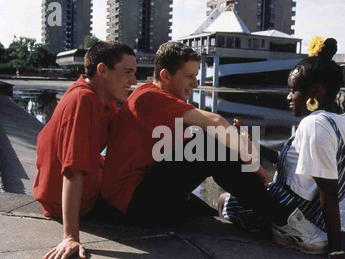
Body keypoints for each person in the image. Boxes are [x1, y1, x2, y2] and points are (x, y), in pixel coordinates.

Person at [220, 38, 345, 259]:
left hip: (290, 218)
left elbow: (329, 191)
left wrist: (336, 251)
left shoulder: (315, 125)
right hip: (312, 217)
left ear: (315, 91)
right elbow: (295, 164)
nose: (288, 97)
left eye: (293, 90)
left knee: (223, 197)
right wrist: (252, 145)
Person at [102, 41, 288, 229]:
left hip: (143, 195)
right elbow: (214, 123)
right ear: (165, 75)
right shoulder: (149, 97)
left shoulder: (158, 100)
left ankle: (260, 212)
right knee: (209, 145)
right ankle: (283, 220)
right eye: (189, 76)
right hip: (134, 201)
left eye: (196, 76)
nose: (196, 83)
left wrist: (235, 149)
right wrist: (251, 161)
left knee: (210, 210)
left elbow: (190, 150)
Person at [34, 41, 138, 259]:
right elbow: (72, 170)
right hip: (75, 203)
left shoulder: (105, 99)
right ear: (103, 70)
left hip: (90, 187)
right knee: (164, 204)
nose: (134, 81)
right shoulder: (82, 101)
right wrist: (70, 236)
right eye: (127, 72)